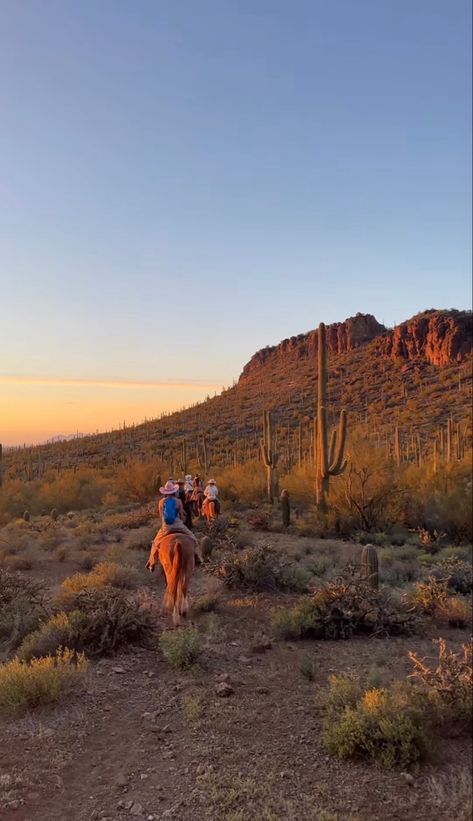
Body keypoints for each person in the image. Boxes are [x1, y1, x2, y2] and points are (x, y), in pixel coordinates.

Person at [146, 480, 200, 571]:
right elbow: (182, 517)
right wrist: (180, 521)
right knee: (193, 538)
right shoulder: (178, 501)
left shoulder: (161, 502)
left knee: (155, 543)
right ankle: (198, 557)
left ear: (165, 492)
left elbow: (161, 517)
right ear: (174, 491)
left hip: (166, 527)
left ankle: (152, 563)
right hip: (178, 525)